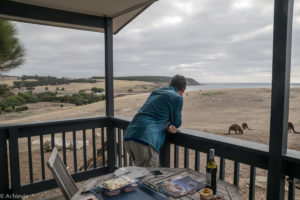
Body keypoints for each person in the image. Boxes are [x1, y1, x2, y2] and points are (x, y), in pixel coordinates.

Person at [123, 74, 186, 167]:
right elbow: (177, 122)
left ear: (169, 84)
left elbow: (153, 114)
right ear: (183, 90)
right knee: (149, 178)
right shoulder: (177, 97)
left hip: (129, 136)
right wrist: (169, 124)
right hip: (145, 139)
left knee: (140, 174)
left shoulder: (156, 92)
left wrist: (167, 123)